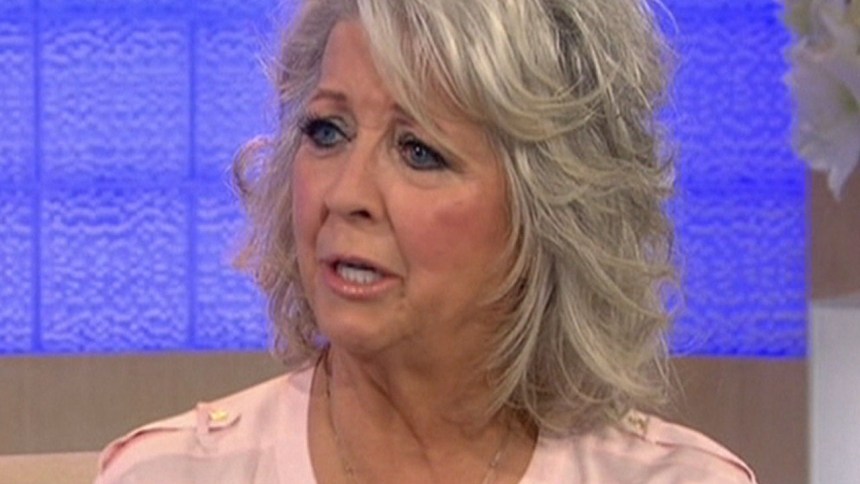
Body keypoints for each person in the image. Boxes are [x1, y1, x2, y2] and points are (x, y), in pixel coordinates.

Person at [96, 0, 757, 482]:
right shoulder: (170, 473)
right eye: (327, 131)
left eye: (418, 150)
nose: (346, 193)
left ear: (551, 211)